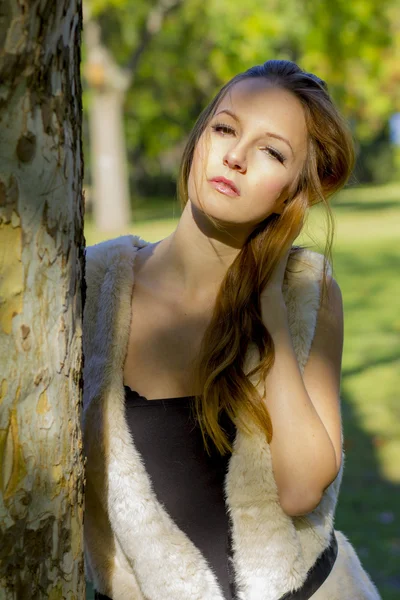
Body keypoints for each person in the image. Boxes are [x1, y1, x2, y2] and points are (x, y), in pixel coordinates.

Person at [82, 59, 382, 600]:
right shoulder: (91, 284)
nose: (236, 157)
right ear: (200, 137)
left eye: (272, 151)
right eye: (225, 128)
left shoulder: (305, 293)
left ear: (298, 189)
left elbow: (300, 489)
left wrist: (270, 313)